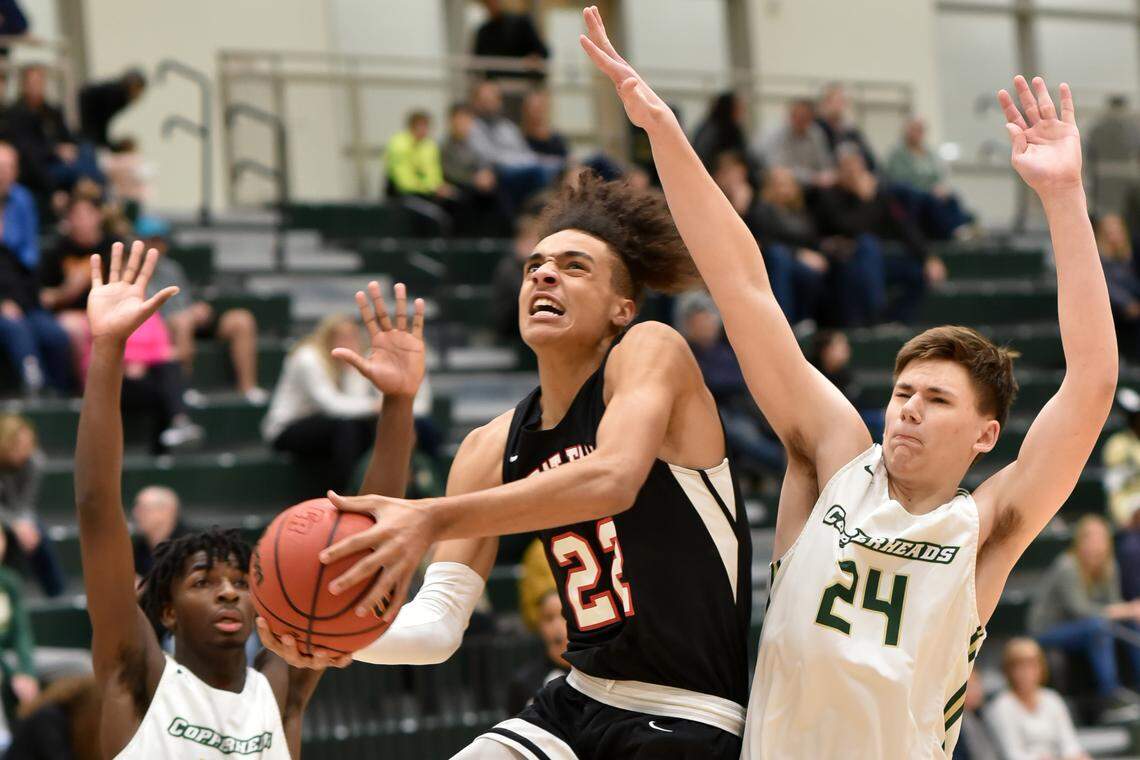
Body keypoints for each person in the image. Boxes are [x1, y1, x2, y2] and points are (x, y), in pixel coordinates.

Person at [577, 10, 1116, 757]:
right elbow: (744, 287)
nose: (908, 413)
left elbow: (1091, 383)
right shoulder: (836, 460)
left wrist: (1062, 200)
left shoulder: (984, 526)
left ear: (985, 434)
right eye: (902, 394)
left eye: (936, 401)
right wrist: (666, 131)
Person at [270, 171, 754, 759]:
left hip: (687, 710)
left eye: (575, 267)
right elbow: (439, 626)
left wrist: (431, 517)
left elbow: (613, 478)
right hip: (577, 699)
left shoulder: (652, 350)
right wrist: (338, 635)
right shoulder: (489, 448)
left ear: (621, 308)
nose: (545, 273)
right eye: (536, 266)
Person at [74, 240, 340, 758]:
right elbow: (95, 505)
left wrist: (396, 408)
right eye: (203, 581)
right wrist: (107, 349)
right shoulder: (139, 676)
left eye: (241, 582)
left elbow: (363, 543)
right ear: (167, 612)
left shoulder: (276, 694)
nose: (226, 593)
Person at [135, 216, 266, 404]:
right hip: (162, 326)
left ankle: (248, 388)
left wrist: (198, 309)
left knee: (242, 319)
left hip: (188, 320)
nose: (155, 246)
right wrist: (186, 314)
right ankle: (183, 390)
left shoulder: (172, 268)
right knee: (182, 321)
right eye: (150, 240)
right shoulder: (131, 269)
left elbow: (183, 300)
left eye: (159, 240)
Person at [813, 147, 947, 325]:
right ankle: (876, 317)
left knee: (917, 273)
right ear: (839, 171)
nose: (853, 173)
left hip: (875, 261)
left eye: (857, 167)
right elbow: (848, 227)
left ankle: (897, 320)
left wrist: (928, 258)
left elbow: (903, 226)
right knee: (867, 244)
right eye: (848, 167)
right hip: (843, 260)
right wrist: (865, 200)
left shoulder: (879, 194)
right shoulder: (830, 195)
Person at [1027, 515, 1140, 709]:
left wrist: (1130, 611)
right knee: (1099, 626)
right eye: (1091, 537)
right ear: (1080, 541)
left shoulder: (1109, 565)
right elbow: (1080, 610)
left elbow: (1114, 604)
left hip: (1084, 626)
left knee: (1130, 621)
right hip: (1049, 630)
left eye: (1101, 537)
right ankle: (1110, 692)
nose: (1097, 543)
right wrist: (1126, 609)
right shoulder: (1067, 566)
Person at [261, 314, 382, 494]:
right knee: (347, 427)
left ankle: (371, 490)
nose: (349, 341)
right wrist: (375, 406)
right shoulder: (308, 357)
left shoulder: (346, 359)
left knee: (363, 427)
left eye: (353, 336)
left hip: (324, 426)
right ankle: (347, 494)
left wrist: (352, 368)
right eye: (342, 336)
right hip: (287, 428)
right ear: (328, 336)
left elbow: (352, 400)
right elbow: (331, 405)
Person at [713, 153, 825, 325]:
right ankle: (783, 322)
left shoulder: (802, 213)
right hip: (771, 260)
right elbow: (765, 240)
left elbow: (812, 240)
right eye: (778, 184)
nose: (783, 189)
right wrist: (798, 254)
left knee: (811, 274)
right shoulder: (762, 209)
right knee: (779, 257)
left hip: (798, 262)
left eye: (787, 184)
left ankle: (805, 323)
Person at [0, 142, 71, 393]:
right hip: (5, 305)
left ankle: (61, 394)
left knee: (56, 335)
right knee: (16, 329)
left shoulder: (22, 200)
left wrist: (21, 301)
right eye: (1, 167)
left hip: (23, 298)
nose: (4, 173)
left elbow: (27, 263)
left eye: (10, 167)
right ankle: (34, 388)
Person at [39, 194, 116, 374]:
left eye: (87, 214)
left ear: (99, 216)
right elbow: (44, 297)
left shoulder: (113, 247)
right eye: (75, 215)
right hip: (71, 314)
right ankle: (86, 386)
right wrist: (67, 291)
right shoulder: (56, 250)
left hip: (106, 312)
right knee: (74, 328)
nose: (81, 221)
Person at [985, 638, 1090, 760]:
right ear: (1008, 671)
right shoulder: (1001, 706)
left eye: (1032, 665)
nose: (1027, 672)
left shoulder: (1052, 699)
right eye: (1020, 666)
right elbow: (1012, 754)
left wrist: (1072, 756)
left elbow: (1070, 743)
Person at [468, 80, 561, 210]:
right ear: (476, 102)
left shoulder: (508, 127)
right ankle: (538, 210)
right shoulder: (471, 127)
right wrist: (525, 161)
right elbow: (490, 158)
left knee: (559, 166)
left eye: (492, 99)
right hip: (501, 172)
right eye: (485, 100)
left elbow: (525, 153)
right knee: (539, 171)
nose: (489, 104)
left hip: (523, 167)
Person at [0, 415, 64, 597]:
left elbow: (26, 502)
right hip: (4, 515)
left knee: (37, 533)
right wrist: (14, 524)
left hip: (18, 512)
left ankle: (55, 591)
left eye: (29, 444)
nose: (26, 450)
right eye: (19, 445)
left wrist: (22, 523)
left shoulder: (35, 461)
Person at [884, 117, 974, 240]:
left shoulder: (929, 153)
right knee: (931, 201)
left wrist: (941, 188)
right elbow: (898, 177)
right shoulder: (897, 154)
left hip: (933, 191)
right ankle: (950, 231)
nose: (917, 133)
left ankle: (960, 228)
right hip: (913, 194)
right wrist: (929, 188)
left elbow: (938, 174)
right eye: (914, 130)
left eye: (920, 130)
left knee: (952, 197)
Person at [441, 102, 513, 237]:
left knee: (500, 196)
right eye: (459, 119)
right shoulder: (446, 146)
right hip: (459, 187)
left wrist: (487, 174)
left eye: (466, 120)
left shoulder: (475, 144)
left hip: (476, 186)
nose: (462, 124)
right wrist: (474, 179)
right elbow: (451, 172)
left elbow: (485, 162)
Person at [507, 589, 570, 714]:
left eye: (565, 616)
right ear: (540, 626)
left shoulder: (599, 676)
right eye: (549, 618)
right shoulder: (522, 682)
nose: (557, 627)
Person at [1103, 387, 1140, 600]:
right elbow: (1114, 489)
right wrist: (1127, 517)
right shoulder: (1118, 446)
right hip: (1130, 519)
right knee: (1132, 549)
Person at [756, 99, 835, 188]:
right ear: (790, 115)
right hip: (784, 182)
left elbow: (825, 164)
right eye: (797, 116)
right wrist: (812, 178)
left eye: (805, 117)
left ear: (811, 118)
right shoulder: (777, 134)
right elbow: (779, 168)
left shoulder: (816, 134)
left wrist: (826, 176)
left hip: (813, 183)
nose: (800, 120)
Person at [1095, 213, 1140, 360]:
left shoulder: (1130, 258)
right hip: (1114, 312)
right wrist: (1126, 303)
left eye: (1117, 231)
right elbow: (1105, 286)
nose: (1114, 236)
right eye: (1109, 233)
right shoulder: (1098, 259)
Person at [473, 0, 549, 82]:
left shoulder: (522, 23)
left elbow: (543, 52)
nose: (493, 4)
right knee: (486, 93)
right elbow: (477, 61)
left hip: (525, 82)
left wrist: (534, 57)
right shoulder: (483, 31)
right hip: (494, 83)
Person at [385, 110, 449, 198]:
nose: (424, 130)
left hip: (425, 192)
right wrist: (430, 187)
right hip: (401, 195)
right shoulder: (398, 144)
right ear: (411, 127)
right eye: (420, 126)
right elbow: (403, 182)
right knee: (432, 211)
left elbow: (433, 172)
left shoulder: (429, 145)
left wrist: (438, 186)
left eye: (426, 126)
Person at [131, 485, 191, 578]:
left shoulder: (190, 547)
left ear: (166, 511)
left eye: (143, 509)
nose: (135, 514)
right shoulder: (137, 548)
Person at [77, 68, 147, 149]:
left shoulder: (118, 93)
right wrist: (107, 145)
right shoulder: (118, 95)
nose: (139, 95)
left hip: (87, 126)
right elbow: (101, 119)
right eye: (138, 90)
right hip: (83, 123)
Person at [816, 82, 877, 171]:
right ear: (824, 103)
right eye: (834, 101)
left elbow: (870, 160)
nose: (838, 106)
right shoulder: (816, 129)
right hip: (827, 174)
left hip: (852, 173)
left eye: (841, 101)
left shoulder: (851, 130)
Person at [692, 92, 753, 173]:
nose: (742, 113)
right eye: (738, 108)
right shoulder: (711, 130)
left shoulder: (734, 129)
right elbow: (702, 157)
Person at [951, 670, 1002, 760]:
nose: (978, 689)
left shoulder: (981, 714)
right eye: (971, 686)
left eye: (978, 682)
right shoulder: (956, 724)